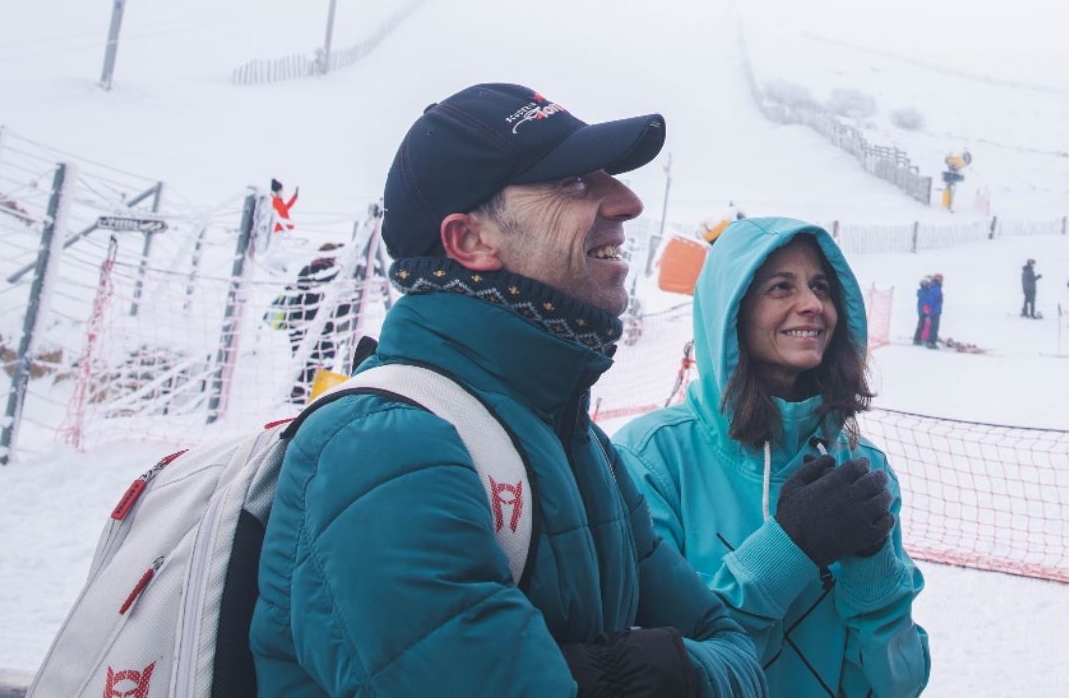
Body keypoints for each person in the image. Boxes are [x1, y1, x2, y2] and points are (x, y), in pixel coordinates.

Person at [252, 83, 763, 698]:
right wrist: (639, 678)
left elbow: (736, 649)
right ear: (470, 241)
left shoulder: (579, 442)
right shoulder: (384, 452)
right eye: (573, 182)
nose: (627, 201)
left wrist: (672, 673)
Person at [617, 218, 930, 696]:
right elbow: (659, 669)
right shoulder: (651, 458)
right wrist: (787, 549)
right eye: (781, 287)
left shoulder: (861, 468)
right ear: (731, 310)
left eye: (821, 287)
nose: (812, 304)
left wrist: (872, 572)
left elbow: (900, 684)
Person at [268, 243, 351, 402]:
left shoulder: (305, 271)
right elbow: (343, 306)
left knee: (301, 363)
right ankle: (316, 399)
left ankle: (296, 396)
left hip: (298, 327)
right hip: (325, 330)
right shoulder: (336, 275)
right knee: (324, 365)